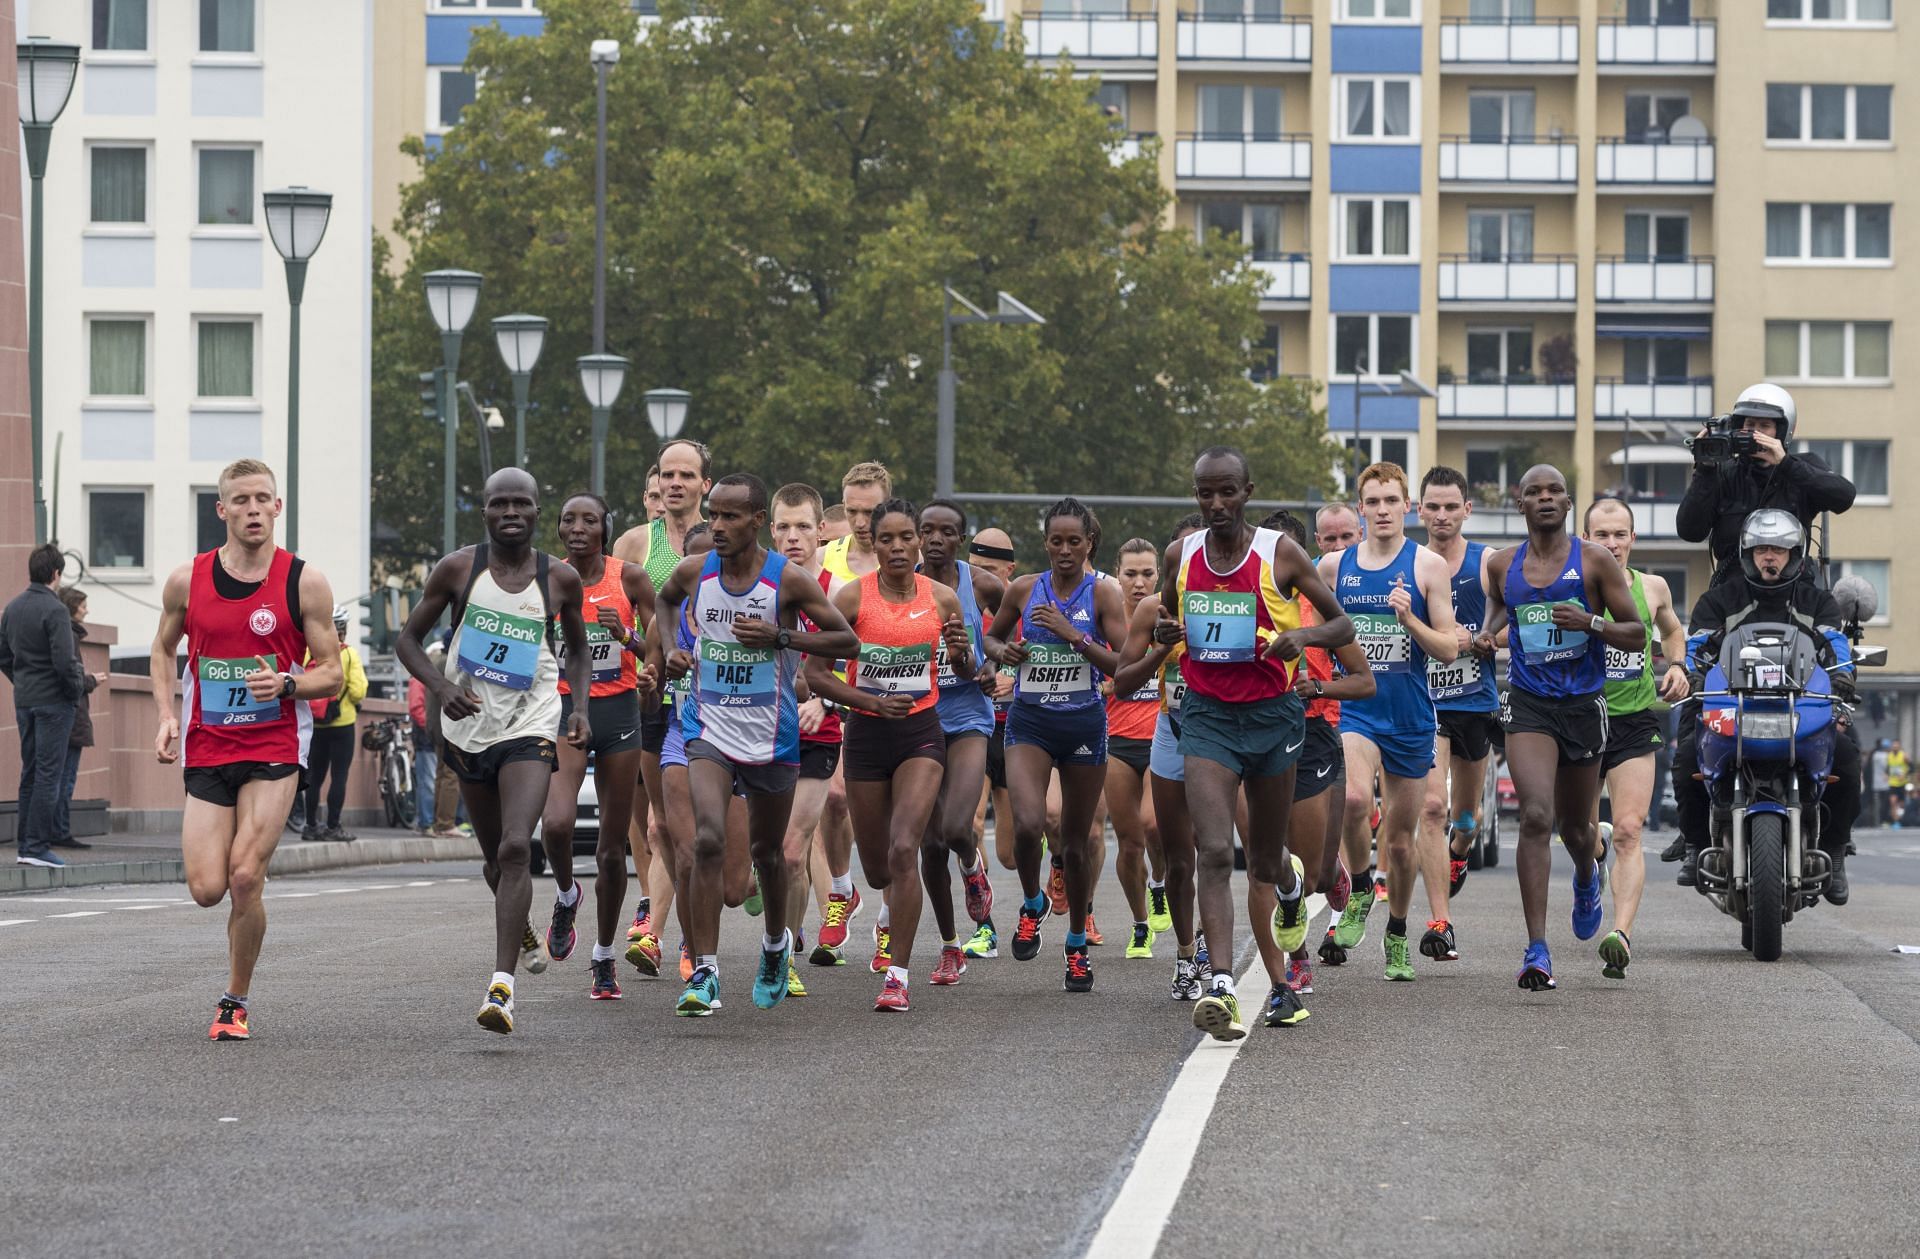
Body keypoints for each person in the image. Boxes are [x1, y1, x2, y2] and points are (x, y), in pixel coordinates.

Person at [646, 473, 858, 1017]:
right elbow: (664, 603)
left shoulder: (785, 581)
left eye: (730, 516)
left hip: (771, 735)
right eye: (713, 515)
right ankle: (706, 973)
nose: (716, 525)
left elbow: (845, 639)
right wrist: (672, 649)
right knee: (707, 840)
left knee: (768, 854)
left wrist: (783, 637)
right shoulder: (696, 571)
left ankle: (773, 947)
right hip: (707, 727)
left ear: (756, 521)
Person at [148, 459, 344, 1039]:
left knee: (243, 877)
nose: (253, 509)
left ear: (277, 508)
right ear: (222, 510)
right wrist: (165, 714)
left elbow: (331, 672)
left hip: (275, 743)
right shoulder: (188, 579)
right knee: (207, 888)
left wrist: (287, 683)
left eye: (263, 499)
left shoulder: (303, 582)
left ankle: (234, 1000)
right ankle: (237, 945)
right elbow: (162, 652)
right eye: (241, 500)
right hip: (209, 743)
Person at [1162, 450, 1354, 1039]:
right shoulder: (1182, 555)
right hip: (1208, 717)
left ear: (1247, 491)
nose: (1215, 505)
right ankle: (1220, 982)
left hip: (1274, 718)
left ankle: (1292, 890)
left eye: (1226, 493)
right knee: (1215, 850)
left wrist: (1299, 636)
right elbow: (1168, 621)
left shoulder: (1280, 553)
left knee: (1268, 861)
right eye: (1204, 495)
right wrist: (1167, 633)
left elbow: (1341, 627)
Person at [396, 467, 594, 1034]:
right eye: (499, 504)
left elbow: (577, 651)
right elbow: (408, 640)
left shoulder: (558, 579)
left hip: (531, 721)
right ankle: (521, 927)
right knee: (493, 858)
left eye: (522, 504)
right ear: (484, 512)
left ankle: (501, 989)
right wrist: (441, 689)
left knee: (514, 848)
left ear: (538, 513)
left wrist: (577, 708)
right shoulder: (459, 569)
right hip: (467, 724)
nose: (511, 513)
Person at [1474, 465, 1644, 991]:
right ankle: (1537, 948)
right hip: (1529, 705)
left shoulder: (1593, 561)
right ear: (1519, 504)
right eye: (1534, 493)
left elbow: (1637, 634)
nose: (1544, 499)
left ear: (1568, 503)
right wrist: (1487, 632)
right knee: (1534, 816)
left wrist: (1590, 622)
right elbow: (1503, 607)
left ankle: (1588, 876)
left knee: (1576, 829)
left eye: (1553, 492)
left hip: (1583, 707)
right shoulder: (1503, 564)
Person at [804, 498, 972, 1009]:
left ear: (919, 541)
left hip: (921, 733)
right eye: (886, 540)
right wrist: (870, 701)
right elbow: (812, 675)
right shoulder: (851, 599)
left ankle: (897, 976)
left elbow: (964, 673)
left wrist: (962, 653)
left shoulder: (943, 599)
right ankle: (869, 903)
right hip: (867, 736)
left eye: (906, 538)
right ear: (871, 544)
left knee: (906, 851)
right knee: (878, 869)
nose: (897, 548)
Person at [1673, 510, 1858, 903]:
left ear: (1795, 553)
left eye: (1777, 549)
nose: (1768, 557)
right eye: (1761, 550)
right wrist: (1690, 671)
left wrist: (1844, 673)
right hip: (1736, 704)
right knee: (1688, 749)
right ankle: (1692, 845)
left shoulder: (1818, 601)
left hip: (1799, 706)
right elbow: (1695, 646)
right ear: (1746, 552)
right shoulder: (1721, 598)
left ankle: (1837, 851)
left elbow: (1836, 644)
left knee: (1847, 754)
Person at [984, 498, 1130, 993]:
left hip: (1084, 726)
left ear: (1090, 543)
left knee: (1075, 841)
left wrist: (1074, 636)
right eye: (1056, 541)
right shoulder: (1025, 589)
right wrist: (1005, 652)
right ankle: (1031, 904)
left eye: (1074, 542)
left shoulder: (1104, 595)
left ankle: (1075, 945)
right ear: (1044, 542)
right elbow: (991, 640)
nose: (1064, 550)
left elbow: (1124, 667)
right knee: (1027, 825)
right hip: (1030, 722)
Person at [1320, 462, 1459, 979]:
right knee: (1354, 799)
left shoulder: (1427, 567)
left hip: (1411, 718)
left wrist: (1409, 619)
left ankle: (1397, 931)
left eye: (1390, 501)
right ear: (1361, 509)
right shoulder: (1336, 567)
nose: (1382, 510)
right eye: (1372, 501)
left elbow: (1448, 648)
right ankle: (1359, 889)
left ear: (1409, 508)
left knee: (1401, 845)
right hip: (1357, 710)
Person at [1252, 510, 1372, 1017]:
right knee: (1269, 860)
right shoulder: (1244, 603)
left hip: (1315, 733)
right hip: (1254, 734)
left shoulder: (1320, 611)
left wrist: (1317, 686)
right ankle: (1294, 957)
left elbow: (1365, 681)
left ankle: (1333, 871)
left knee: (1316, 873)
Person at [540, 492, 657, 1001]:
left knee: (612, 851)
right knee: (558, 824)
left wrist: (627, 636)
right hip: (566, 709)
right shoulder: (547, 579)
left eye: (590, 519)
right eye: (569, 519)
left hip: (620, 712)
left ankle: (604, 955)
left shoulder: (629, 578)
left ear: (605, 527)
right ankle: (567, 894)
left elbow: (665, 644)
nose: (579, 527)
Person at [1582, 497, 1689, 978]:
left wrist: (1678, 665)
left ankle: (1619, 935)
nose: (1611, 543)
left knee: (1630, 829)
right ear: (1585, 539)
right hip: (1580, 719)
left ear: (1632, 539)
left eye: (1619, 534)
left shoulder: (1653, 587)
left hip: (1634, 722)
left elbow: (1671, 630)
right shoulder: (1573, 587)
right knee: (1580, 836)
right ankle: (1592, 858)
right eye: (1601, 535)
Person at [612, 439, 709, 974]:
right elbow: (597, 601)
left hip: (716, 704)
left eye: (686, 476)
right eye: (667, 475)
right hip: (649, 696)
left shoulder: (723, 541)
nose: (675, 484)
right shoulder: (634, 543)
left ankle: (691, 917)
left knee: (694, 829)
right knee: (658, 826)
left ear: (704, 486)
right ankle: (669, 931)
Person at [1112, 514, 1206, 999]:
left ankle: (1277, 935)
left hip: (1217, 735)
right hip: (1149, 732)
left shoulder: (1238, 600)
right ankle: (1173, 940)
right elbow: (1123, 679)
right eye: (1184, 556)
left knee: (1214, 848)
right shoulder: (1147, 611)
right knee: (1155, 849)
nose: (1140, 581)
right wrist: (1159, 652)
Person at [915, 499, 1004, 983]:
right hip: (919, 717)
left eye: (946, 532)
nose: (934, 540)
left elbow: (1006, 637)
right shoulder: (898, 584)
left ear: (960, 539)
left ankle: (971, 866)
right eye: (926, 531)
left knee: (954, 828)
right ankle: (951, 946)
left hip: (968, 713)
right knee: (928, 845)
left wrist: (992, 667)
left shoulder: (981, 583)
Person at [768, 483, 848, 984]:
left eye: (803, 526)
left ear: (821, 530)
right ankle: (782, 932)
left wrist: (826, 698)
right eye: (783, 527)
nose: (793, 536)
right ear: (769, 531)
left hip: (820, 732)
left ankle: (783, 958)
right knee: (765, 857)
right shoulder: (755, 586)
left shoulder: (838, 591)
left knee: (793, 851)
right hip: (759, 732)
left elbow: (858, 661)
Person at [1416, 467, 1501, 906]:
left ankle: (1460, 850)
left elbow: (1518, 624)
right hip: (1426, 704)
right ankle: (1439, 920)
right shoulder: (1409, 563)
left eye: (1451, 507)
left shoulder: (1487, 562)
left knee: (1466, 819)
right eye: (1433, 506)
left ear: (1467, 510)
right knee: (1432, 808)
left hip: (1474, 702)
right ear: (1419, 509)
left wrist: (1481, 639)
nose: (1442, 515)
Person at [1677, 384, 1854, 589]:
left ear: (1782, 432)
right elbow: (1689, 531)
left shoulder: (1801, 468)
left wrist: (1786, 464)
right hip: (1731, 595)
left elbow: (1844, 497)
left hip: (1793, 592)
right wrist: (1705, 469)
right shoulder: (1723, 472)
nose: (1754, 433)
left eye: (1764, 426)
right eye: (1749, 424)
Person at [1103, 537, 1170, 960]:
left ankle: (1160, 885)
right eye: (1130, 574)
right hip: (1113, 741)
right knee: (1129, 843)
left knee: (1153, 825)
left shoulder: (1167, 617)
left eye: (1148, 574)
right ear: (1117, 575)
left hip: (1159, 736)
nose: (1139, 583)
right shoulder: (1105, 619)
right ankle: (1140, 923)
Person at [2, 544, 83, 868]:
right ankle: (36, 847)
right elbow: (65, 662)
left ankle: (26, 845)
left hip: (25, 700)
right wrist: (74, 690)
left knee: (30, 773)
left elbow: (2, 656)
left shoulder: (13, 607)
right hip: (54, 702)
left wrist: (21, 681)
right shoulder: (55, 610)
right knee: (50, 774)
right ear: (56, 574)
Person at [297, 605, 367, 842]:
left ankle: (310, 826)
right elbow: (358, 690)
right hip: (342, 724)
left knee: (313, 777)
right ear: (343, 629)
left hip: (314, 725)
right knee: (339, 776)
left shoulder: (308, 653)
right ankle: (333, 827)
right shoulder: (348, 654)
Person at [53, 587, 107, 851]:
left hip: (60, 712)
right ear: (72, 607)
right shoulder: (69, 637)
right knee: (65, 777)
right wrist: (91, 681)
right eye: (83, 605)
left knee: (55, 775)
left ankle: (54, 829)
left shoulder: (62, 634)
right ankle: (59, 831)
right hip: (71, 713)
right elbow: (70, 677)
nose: (87, 610)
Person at [821, 461, 891, 583]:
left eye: (869, 512)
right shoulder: (821, 559)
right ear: (844, 505)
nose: (860, 523)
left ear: (887, 507)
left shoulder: (912, 560)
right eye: (852, 511)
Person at [407, 651, 439, 833]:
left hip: (429, 733)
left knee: (428, 780)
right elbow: (416, 708)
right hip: (426, 735)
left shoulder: (423, 679)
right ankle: (426, 821)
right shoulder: (419, 680)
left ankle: (427, 820)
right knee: (428, 780)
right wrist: (430, 726)